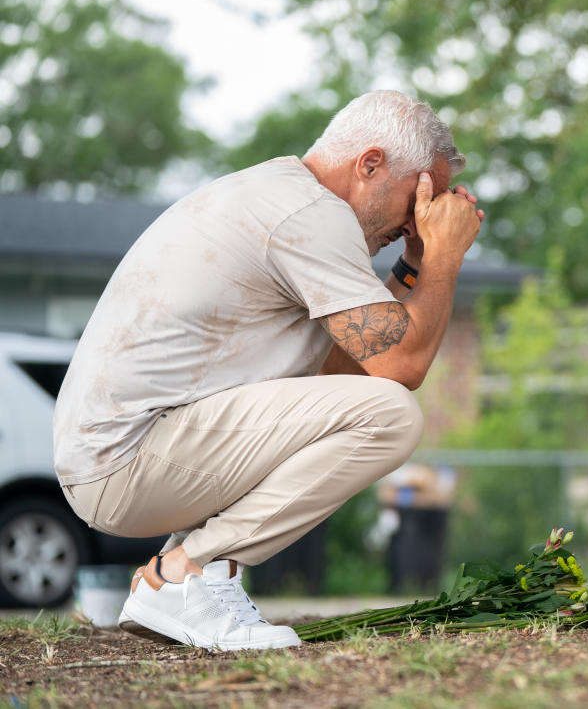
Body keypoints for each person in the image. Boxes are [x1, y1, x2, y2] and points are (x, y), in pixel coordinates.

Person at [51, 90, 484, 650]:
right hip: (126, 457)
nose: (414, 223)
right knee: (392, 415)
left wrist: (415, 265)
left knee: (370, 404)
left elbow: (339, 378)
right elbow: (400, 368)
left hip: (115, 455)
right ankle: (189, 575)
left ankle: (181, 576)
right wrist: (445, 256)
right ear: (370, 164)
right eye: (417, 197)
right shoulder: (312, 215)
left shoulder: (284, 199)